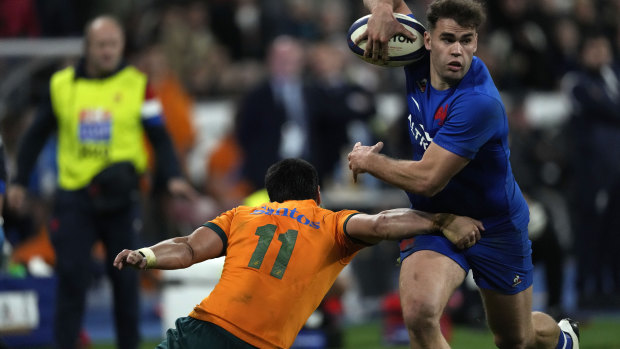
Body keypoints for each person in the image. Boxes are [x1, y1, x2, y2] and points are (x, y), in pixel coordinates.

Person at [347, 0, 579, 348]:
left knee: (515, 339)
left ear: (476, 42)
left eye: (467, 40)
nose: (457, 50)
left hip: (495, 225)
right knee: (420, 313)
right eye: (448, 39)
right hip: (434, 217)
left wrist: (370, 161)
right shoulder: (415, 55)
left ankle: (562, 339)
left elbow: (428, 178)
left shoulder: (478, 102)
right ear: (428, 40)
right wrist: (381, 8)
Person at [114, 158, 483, 348]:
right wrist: (441, 221)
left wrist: (144, 255)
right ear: (317, 193)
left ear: (271, 194)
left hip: (203, 331)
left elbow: (189, 247)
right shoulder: (329, 222)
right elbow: (384, 223)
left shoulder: (242, 215)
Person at [7, 16, 197, 349]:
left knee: (126, 282)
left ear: (121, 46)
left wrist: (173, 176)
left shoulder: (138, 84)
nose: (108, 51)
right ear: (88, 47)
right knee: (72, 279)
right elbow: (35, 135)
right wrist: (20, 181)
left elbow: (160, 136)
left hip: (121, 200)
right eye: (102, 45)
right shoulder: (62, 85)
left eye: (114, 44)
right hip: (75, 200)